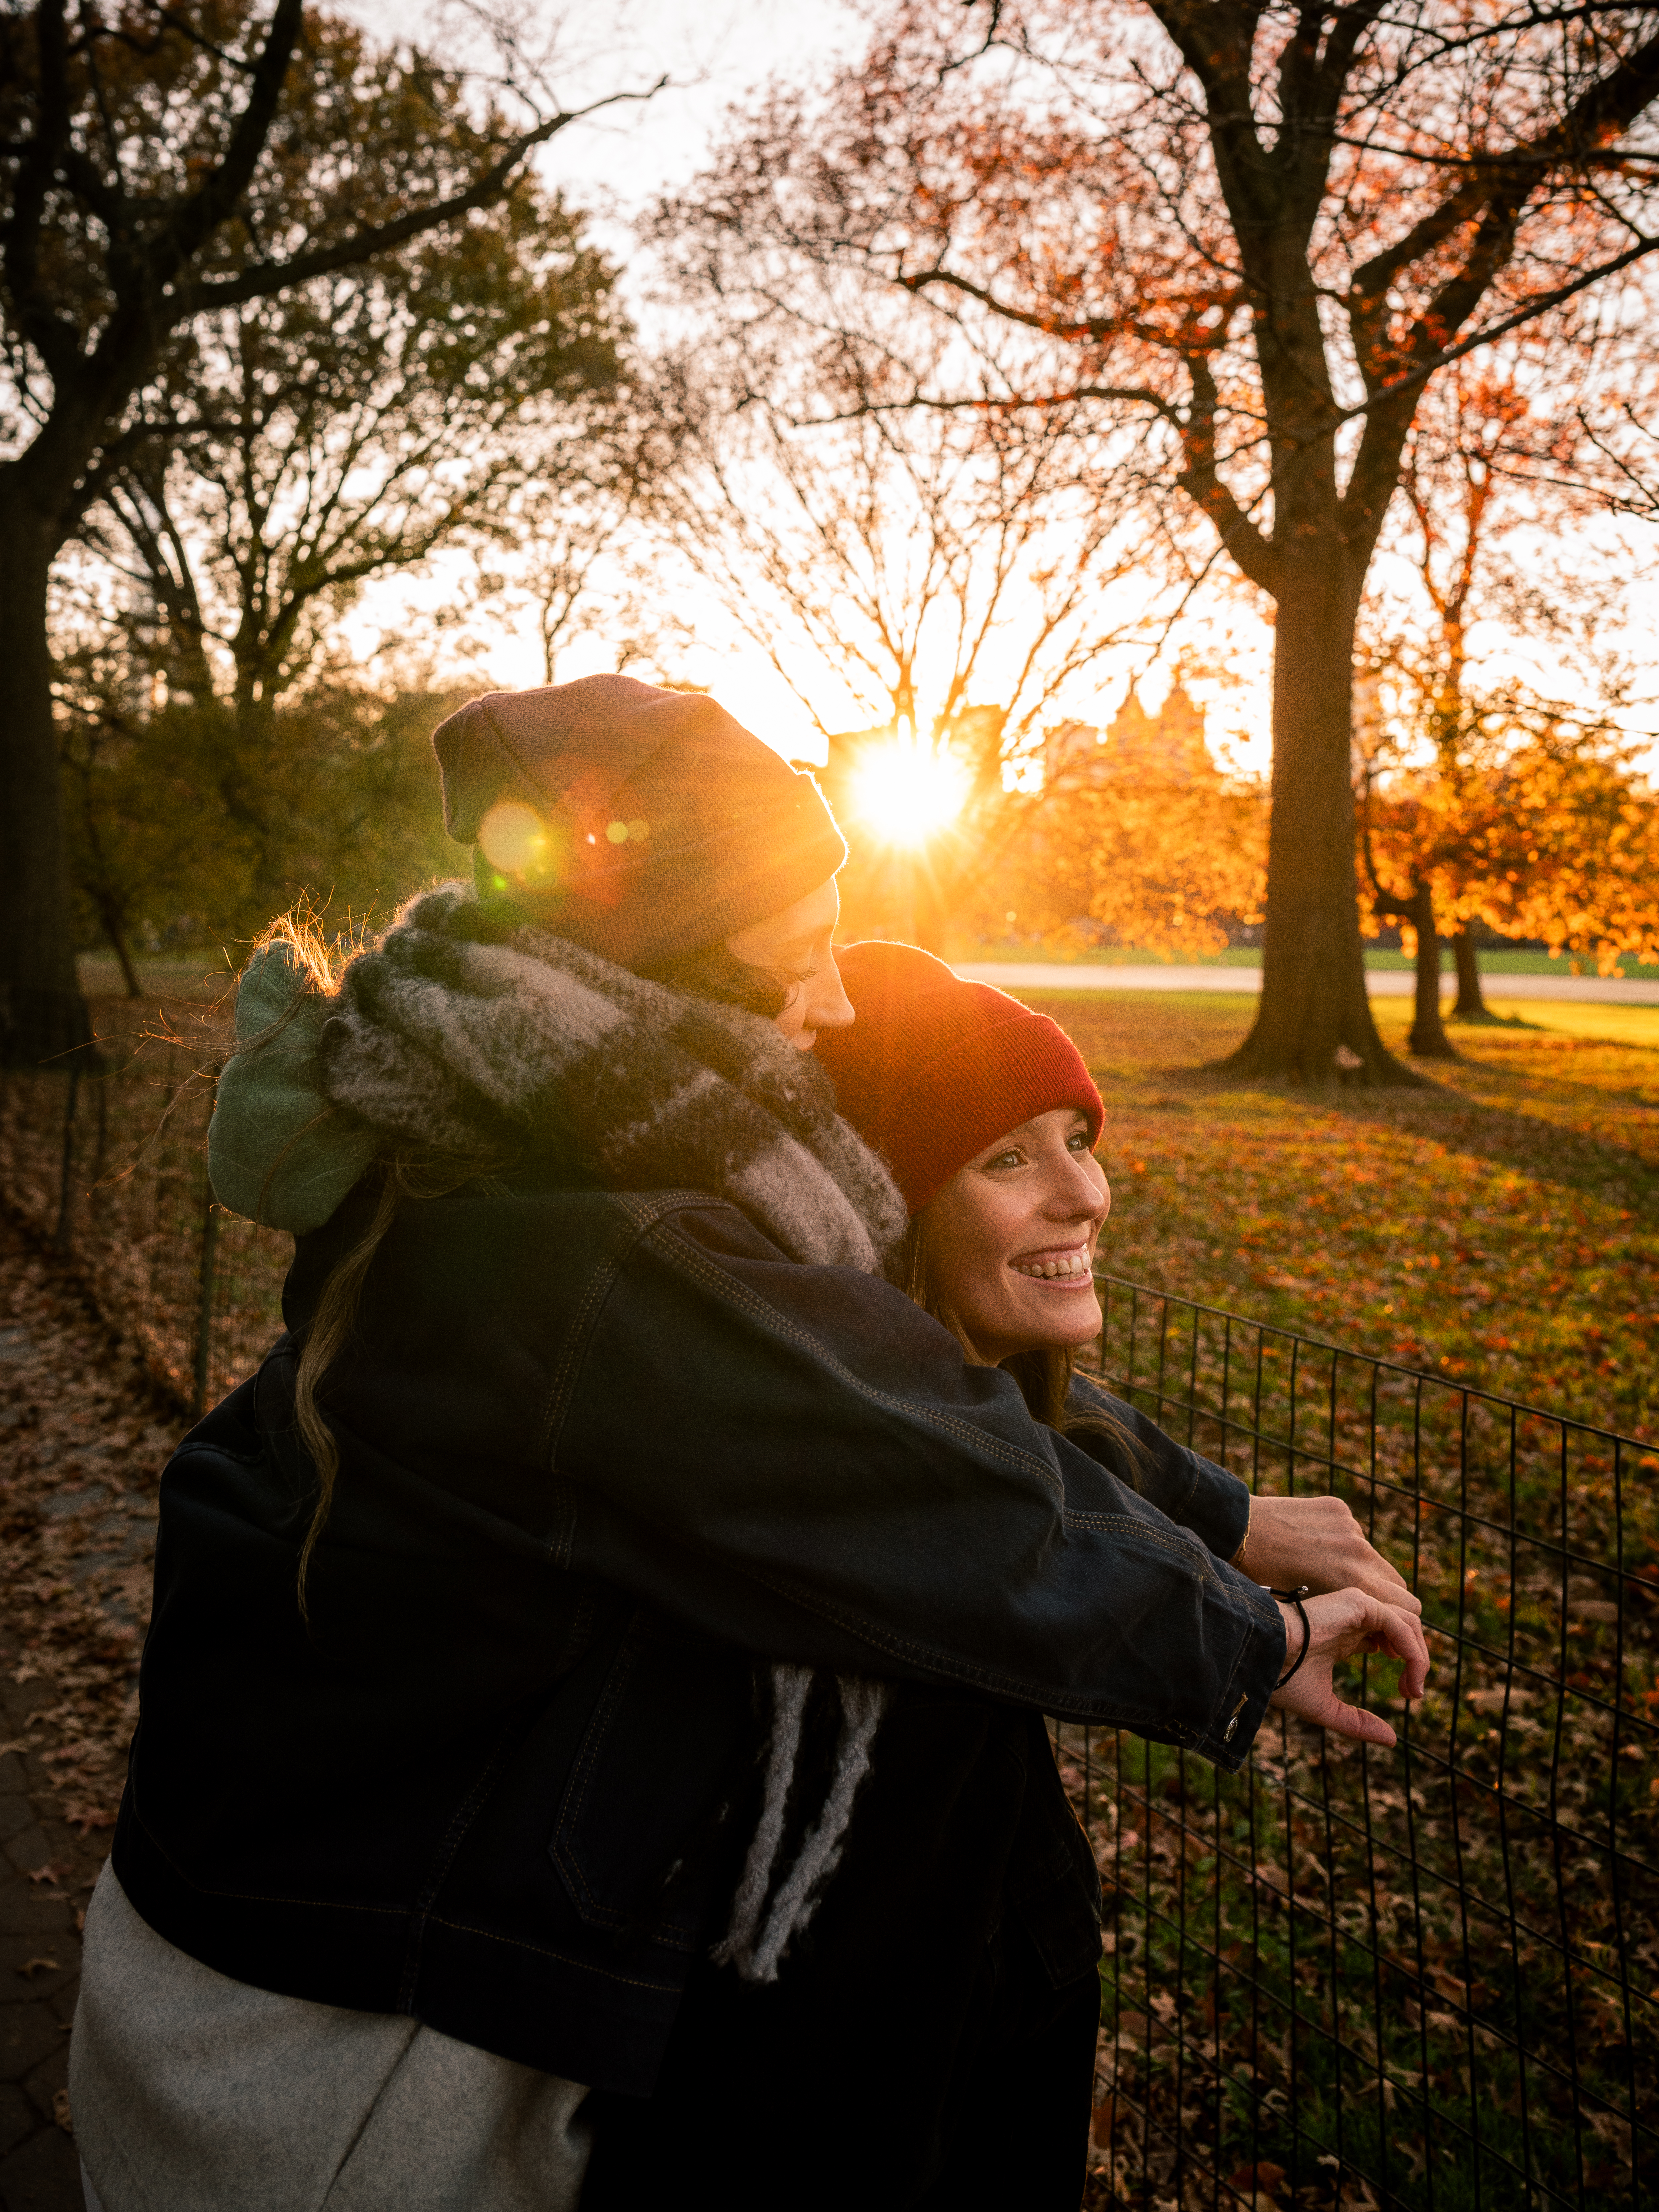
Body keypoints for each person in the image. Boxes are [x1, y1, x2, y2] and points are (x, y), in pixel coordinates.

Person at [67, 676, 1425, 2212]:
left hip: (245, 1919)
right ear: (666, 967)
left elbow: (857, 1372)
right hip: (336, 2051)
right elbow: (923, 1475)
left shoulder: (493, 1118)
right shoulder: (604, 1249)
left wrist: (1215, 1508)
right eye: (801, 959)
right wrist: (1247, 1641)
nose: (832, 1007)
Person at [579, 941, 1426, 2209]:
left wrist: (1222, 1519)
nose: (1084, 1192)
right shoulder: (871, 1541)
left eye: (1077, 1135)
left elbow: (1025, 1442)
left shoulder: (972, 1447)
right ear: (890, 1210)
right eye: (1006, 1156)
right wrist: (1254, 1630)